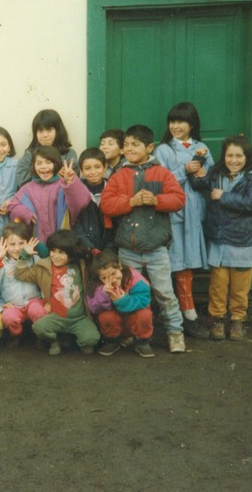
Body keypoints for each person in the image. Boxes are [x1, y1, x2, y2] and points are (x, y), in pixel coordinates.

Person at [101, 124, 187, 353]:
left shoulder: (161, 173)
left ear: (149, 147)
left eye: (135, 145)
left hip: (156, 249)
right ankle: (130, 333)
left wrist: (157, 200)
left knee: (164, 293)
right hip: (128, 249)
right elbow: (106, 205)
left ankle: (175, 332)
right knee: (126, 291)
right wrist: (130, 202)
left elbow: (179, 199)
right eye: (126, 144)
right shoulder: (119, 175)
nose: (129, 148)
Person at [190, 135, 252, 341]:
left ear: (246, 157)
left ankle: (238, 320)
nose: (234, 160)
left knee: (240, 286)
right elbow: (197, 183)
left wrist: (223, 196)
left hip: (241, 240)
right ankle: (218, 320)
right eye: (229, 155)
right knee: (218, 284)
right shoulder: (216, 172)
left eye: (239, 156)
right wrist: (198, 162)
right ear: (224, 157)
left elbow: (251, 204)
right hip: (218, 238)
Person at [154, 102, 213, 339]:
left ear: (192, 124)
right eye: (173, 121)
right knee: (176, 262)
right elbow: (160, 181)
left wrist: (204, 173)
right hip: (174, 215)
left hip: (195, 213)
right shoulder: (164, 150)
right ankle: (183, 315)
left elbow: (210, 177)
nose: (176, 126)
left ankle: (186, 314)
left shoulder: (202, 148)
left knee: (189, 262)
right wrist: (184, 170)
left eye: (182, 121)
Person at [14, 229, 100, 356]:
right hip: (56, 317)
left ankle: (73, 339)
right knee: (39, 328)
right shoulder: (43, 266)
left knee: (91, 340)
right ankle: (54, 341)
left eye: (61, 252)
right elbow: (22, 274)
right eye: (53, 251)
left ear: (71, 253)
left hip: (79, 318)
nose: (56, 256)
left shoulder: (81, 265)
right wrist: (24, 256)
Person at [7, 146, 91, 252]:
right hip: (38, 245)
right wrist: (25, 212)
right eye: (39, 163)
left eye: (48, 162)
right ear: (33, 166)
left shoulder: (64, 184)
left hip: (64, 244)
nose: (44, 167)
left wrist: (71, 182)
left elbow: (82, 201)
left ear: (56, 164)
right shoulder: (27, 188)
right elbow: (12, 206)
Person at [0, 221, 44, 348]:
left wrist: (45, 299)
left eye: (21, 243)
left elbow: (43, 280)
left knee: (38, 311)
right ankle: (15, 334)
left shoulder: (34, 259)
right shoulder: (2, 262)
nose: (17, 248)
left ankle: (40, 334)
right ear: (5, 244)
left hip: (33, 301)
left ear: (27, 242)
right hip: (13, 304)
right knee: (9, 317)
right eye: (12, 244)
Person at [86, 250, 154, 358]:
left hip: (133, 319)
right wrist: (104, 294)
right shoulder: (96, 285)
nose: (111, 279)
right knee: (105, 316)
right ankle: (112, 341)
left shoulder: (136, 279)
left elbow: (144, 301)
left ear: (120, 266)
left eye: (113, 273)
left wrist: (122, 300)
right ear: (98, 277)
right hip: (115, 322)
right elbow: (93, 308)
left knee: (145, 314)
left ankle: (142, 341)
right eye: (104, 278)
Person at [16, 109, 78, 187]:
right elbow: (21, 181)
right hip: (35, 197)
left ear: (58, 131)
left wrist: (67, 175)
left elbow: (76, 182)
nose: (45, 135)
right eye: (40, 130)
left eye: (49, 130)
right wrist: (50, 174)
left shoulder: (69, 154)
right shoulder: (29, 154)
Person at [72, 147, 115, 254]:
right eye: (87, 168)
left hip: (110, 248)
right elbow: (76, 224)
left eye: (97, 167)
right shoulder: (77, 192)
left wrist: (110, 249)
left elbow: (117, 224)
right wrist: (90, 248)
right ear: (81, 170)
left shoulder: (113, 189)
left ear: (105, 167)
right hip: (85, 248)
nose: (93, 172)